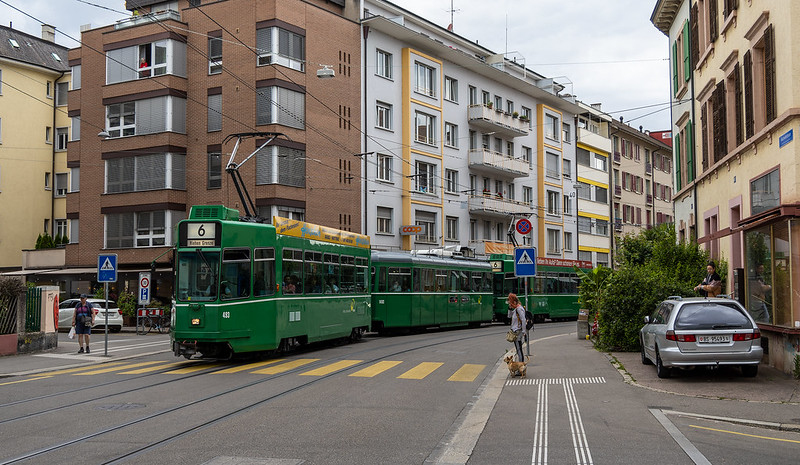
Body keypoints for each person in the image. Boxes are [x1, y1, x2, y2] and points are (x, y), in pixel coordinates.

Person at [507, 293, 527, 362]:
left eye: (510, 301)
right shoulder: (515, 309)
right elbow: (509, 316)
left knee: (519, 349)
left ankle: (521, 365)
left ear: (514, 301)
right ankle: (521, 365)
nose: (509, 303)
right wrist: (509, 308)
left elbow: (523, 320)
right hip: (515, 331)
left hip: (518, 332)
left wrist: (524, 331)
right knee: (518, 349)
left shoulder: (519, 309)